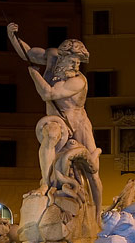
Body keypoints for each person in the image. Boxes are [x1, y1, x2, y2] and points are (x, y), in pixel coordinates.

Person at [7, 22, 102, 214]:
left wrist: (35, 75)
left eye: (79, 63)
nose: (76, 66)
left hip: (78, 123)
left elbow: (48, 94)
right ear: (62, 57)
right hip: (56, 121)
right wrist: (12, 36)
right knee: (50, 136)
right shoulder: (51, 57)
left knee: (93, 170)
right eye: (73, 61)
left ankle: (98, 213)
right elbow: (27, 53)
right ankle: (46, 182)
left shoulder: (78, 80)